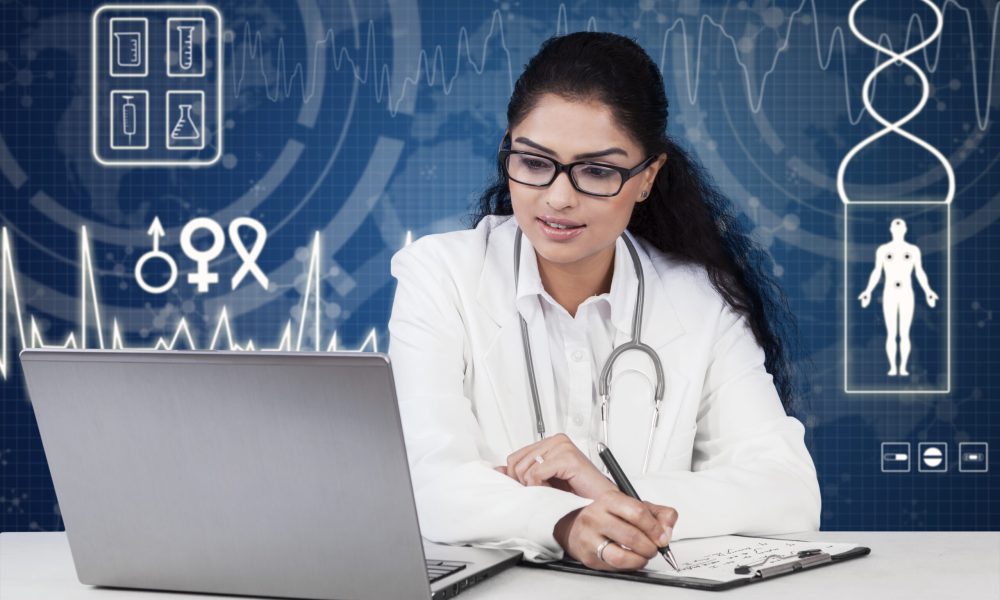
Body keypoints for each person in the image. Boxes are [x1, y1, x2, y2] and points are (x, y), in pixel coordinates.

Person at [387, 31, 820, 572]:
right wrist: (564, 521)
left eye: (597, 171)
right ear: (508, 151)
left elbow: (789, 492)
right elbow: (425, 481)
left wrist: (609, 489)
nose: (559, 197)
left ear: (647, 178)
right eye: (534, 161)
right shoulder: (440, 276)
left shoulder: (702, 301)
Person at [857, 218, 938, 376]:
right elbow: (876, 272)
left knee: (905, 333)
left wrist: (928, 291)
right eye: (896, 227)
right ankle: (893, 367)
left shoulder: (913, 250)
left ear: (905, 230)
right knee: (892, 333)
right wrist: (868, 291)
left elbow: (919, 272)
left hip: (906, 294)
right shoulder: (883, 250)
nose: (898, 230)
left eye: (901, 228)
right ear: (892, 231)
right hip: (890, 294)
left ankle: (903, 368)